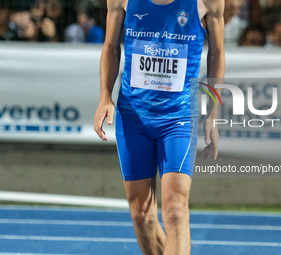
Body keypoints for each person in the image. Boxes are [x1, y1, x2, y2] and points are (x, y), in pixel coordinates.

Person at [94, 0, 225, 254]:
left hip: (178, 117)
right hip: (133, 116)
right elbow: (110, 47)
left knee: (175, 210)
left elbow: (217, 53)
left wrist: (213, 112)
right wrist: (104, 98)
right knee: (142, 214)